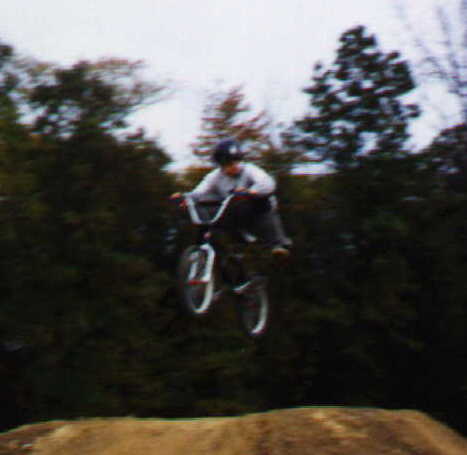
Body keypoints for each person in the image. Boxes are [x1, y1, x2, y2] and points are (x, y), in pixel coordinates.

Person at [172, 138, 291, 256]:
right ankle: (212, 251)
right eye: (228, 164)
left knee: (263, 202)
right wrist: (186, 198)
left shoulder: (250, 170)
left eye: (236, 161)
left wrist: (251, 191)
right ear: (221, 165)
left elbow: (267, 183)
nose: (234, 166)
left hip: (255, 212)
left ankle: (277, 244)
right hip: (232, 213)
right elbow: (200, 191)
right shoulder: (215, 176)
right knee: (206, 213)